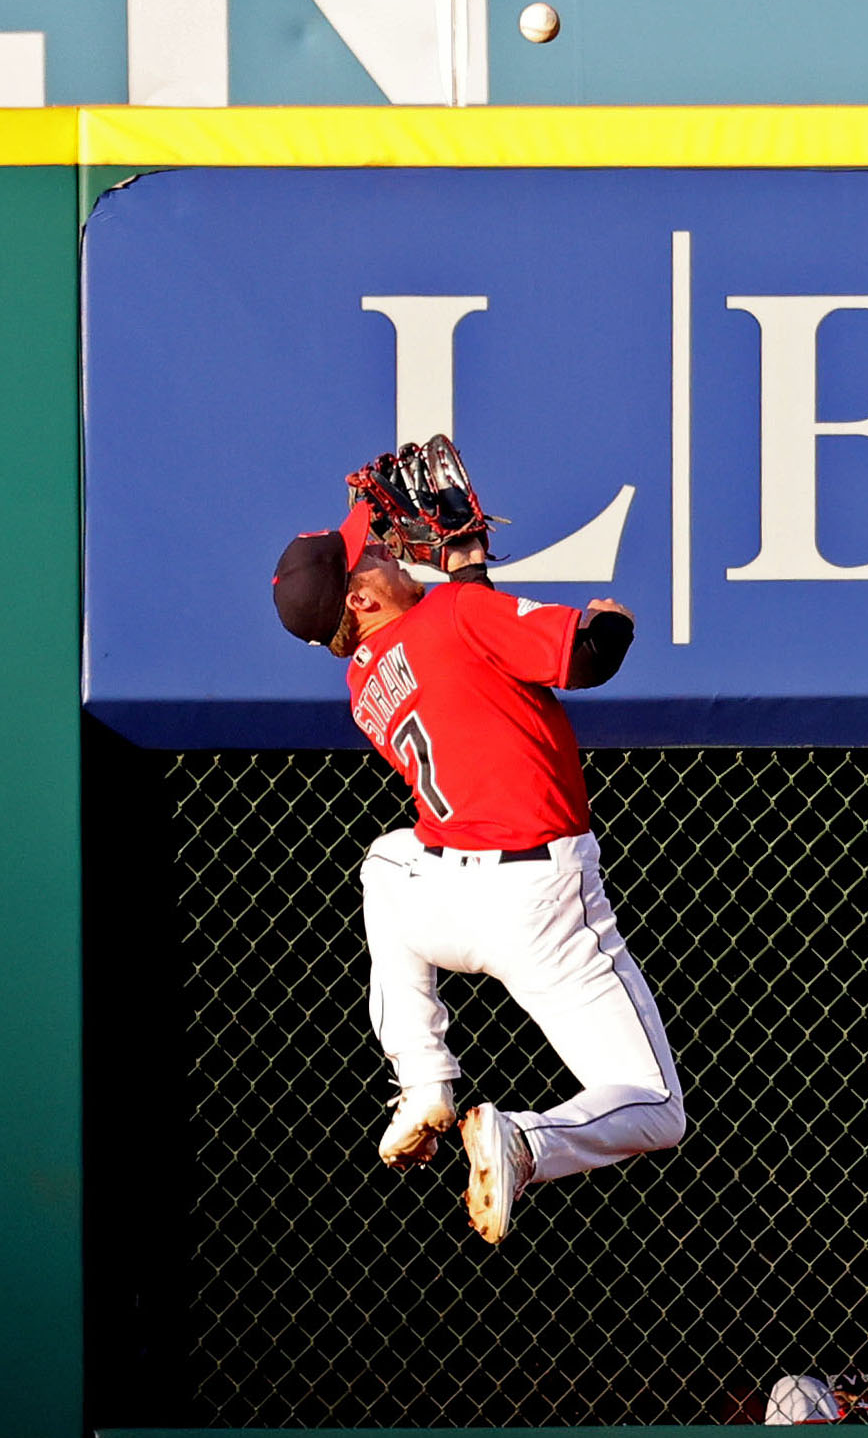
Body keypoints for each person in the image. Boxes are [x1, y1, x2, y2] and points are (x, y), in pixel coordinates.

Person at [270, 499, 684, 1244]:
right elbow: (587, 656)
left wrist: (468, 566)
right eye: (372, 558)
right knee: (655, 1104)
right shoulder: (453, 615)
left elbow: (463, 643)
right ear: (360, 599)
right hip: (544, 905)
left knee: (385, 864)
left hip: (451, 899)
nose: (390, 554)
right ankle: (530, 1142)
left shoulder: (364, 684)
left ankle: (423, 1078)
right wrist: (613, 619)